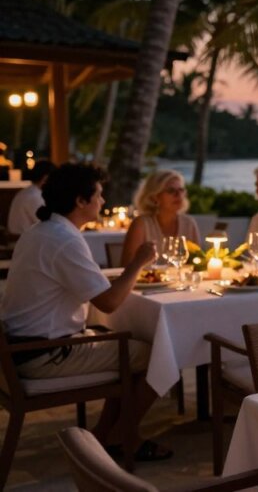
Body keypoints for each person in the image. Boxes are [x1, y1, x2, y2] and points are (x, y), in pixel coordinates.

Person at [0, 163, 172, 460]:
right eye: (99, 195)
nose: (103, 202)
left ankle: (106, 436)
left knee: (124, 344)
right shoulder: (63, 240)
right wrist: (138, 262)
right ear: (80, 201)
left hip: (21, 347)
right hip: (44, 353)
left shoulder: (41, 232)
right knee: (158, 355)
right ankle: (121, 436)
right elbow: (108, 302)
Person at [121, 170, 200, 266]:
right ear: (155, 196)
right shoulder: (141, 224)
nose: (178, 195)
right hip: (146, 280)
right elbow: (127, 266)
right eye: (171, 191)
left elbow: (197, 263)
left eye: (181, 190)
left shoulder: (189, 223)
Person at [6, 159, 55, 235]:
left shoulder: (29, 192)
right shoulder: (33, 196)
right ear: (45, 177)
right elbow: (46, 224)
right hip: (22, 240)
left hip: (23, 238)